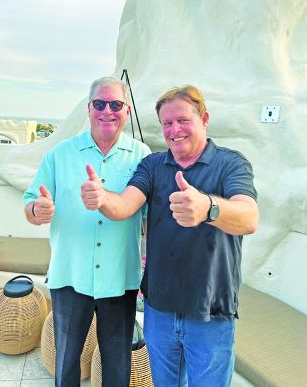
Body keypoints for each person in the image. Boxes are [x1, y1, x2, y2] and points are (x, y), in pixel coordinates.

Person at [81, 85, 259, 387]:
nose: (174, 130)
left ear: (204, 119)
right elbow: (125, 204)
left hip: (211, 311)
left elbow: (249, 218)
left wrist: (208, 207)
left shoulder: (231, 164)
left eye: (183, 120)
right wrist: (102, 198)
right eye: (167, 123)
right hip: (158, 310)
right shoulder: (154, 164)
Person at [23, 76, 151, 387]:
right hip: (71, 274)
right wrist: (37, 210)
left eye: (115, 104)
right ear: (89, 108)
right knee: (66, 359)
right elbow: (30, 203)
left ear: (127, 111)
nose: (107, 110)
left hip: (120, 276)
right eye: (99, 104)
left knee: (117, 362)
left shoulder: (142, 155)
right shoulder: (60, 153)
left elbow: (149, 215)